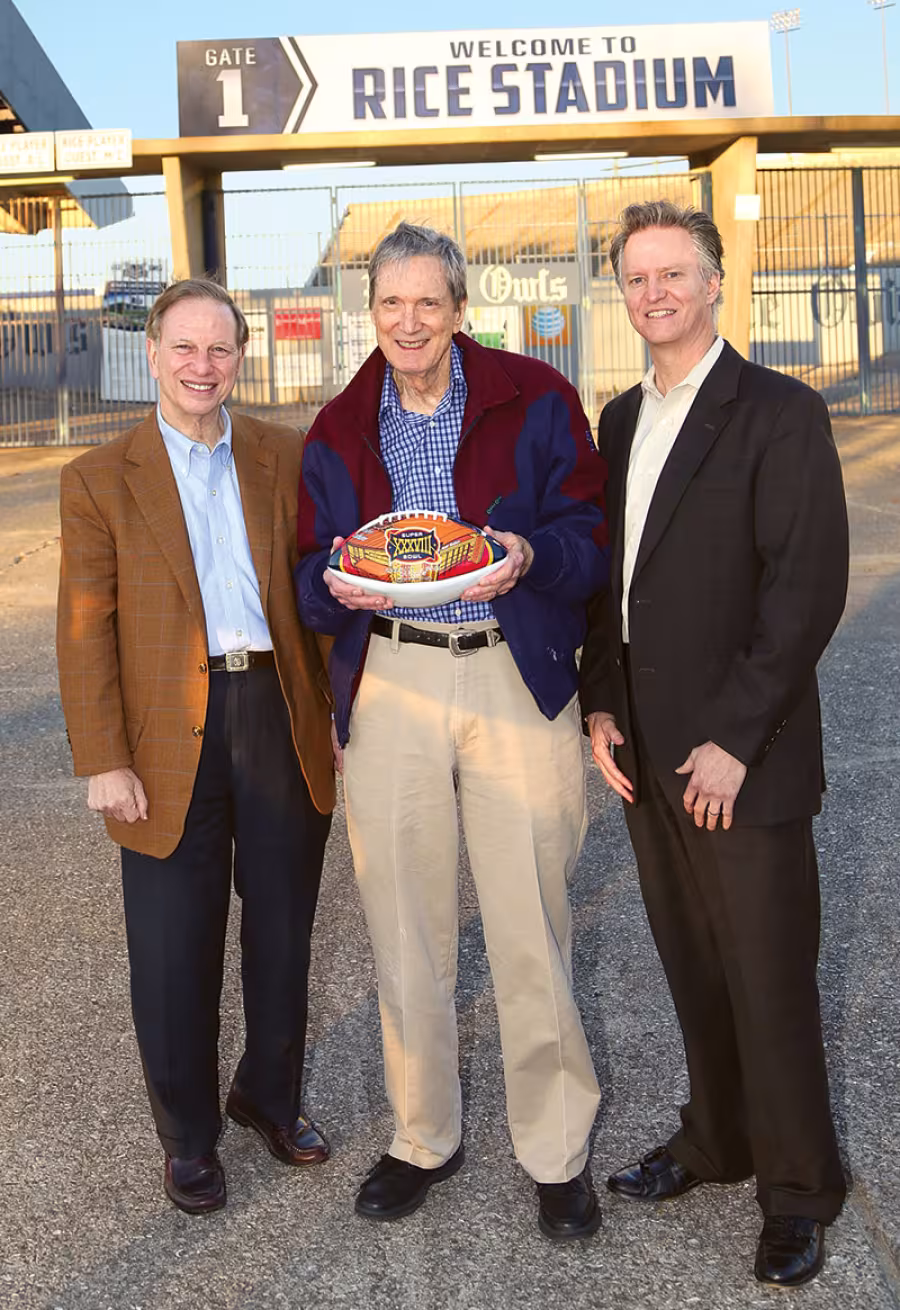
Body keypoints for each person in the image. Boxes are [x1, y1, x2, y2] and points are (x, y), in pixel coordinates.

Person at [294, 222, 608, 1239]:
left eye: (430, 302)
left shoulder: (536, 396)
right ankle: (422, 1133)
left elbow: (587, 536)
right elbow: (307, 574)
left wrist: (529, 551)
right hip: (392, 677)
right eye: (392, 303)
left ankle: (556, 1148)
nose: (410, 321)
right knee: (405, 925)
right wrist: (329, 586)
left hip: (508, 670)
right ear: (370, 310)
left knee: (530, 920)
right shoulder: (338, 428)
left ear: (461, 308)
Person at [579, 201, 848, 1287]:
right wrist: (600, 703)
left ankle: (798, 1187)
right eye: (637, 278)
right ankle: (717, 1138)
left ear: (715, 282)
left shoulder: (780, 412)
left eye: (673, 274)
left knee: (769, 973)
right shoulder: (616, 418)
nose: (655, 294)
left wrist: (738, 737)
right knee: (693, 962)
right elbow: (610, 588)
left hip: (742, 755)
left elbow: (806, 588)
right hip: (643, 748)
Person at [56, 278, 335, 1216]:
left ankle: (269, 1095)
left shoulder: (283, 455)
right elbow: (84, 626)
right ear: (153, 354)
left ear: (241, 356)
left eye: (219, 349)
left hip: (274, 713)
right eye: (184, 348)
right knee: (174, 946)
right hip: (163, 732)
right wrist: (103, 757)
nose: (202, 366)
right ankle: (187, 1138)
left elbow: (319, 596)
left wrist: (339, 706)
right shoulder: (99, 477)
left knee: (283, 927)